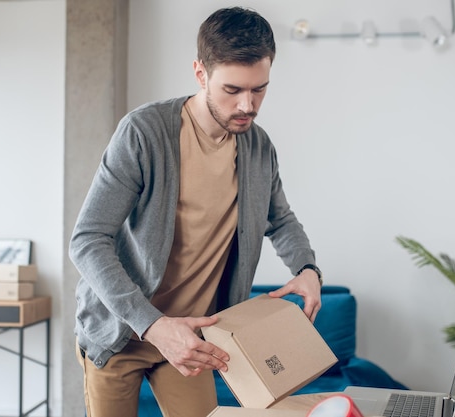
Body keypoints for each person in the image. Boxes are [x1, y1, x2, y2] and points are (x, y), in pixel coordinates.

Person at [69, 6, 323, 417]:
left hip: (195, 339)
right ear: (200, 73)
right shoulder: (144, 133)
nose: (248, 104)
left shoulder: (258, 148)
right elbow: (87, 241)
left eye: (259, 89)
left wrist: (308, 269)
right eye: (232, 89)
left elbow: (282, 220)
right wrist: (153, 325)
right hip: (120, 332)